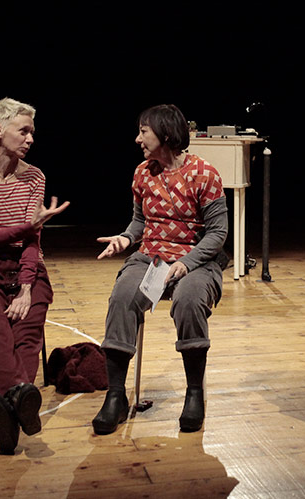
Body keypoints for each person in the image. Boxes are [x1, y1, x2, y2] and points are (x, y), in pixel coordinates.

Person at [92, 104, 227, 435]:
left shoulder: (205, 174)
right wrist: (126, 239)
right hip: (151, 258)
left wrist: (186, 262)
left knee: (189, 300)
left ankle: (194, 394)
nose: (138, 139)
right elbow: (140, 221)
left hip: (196, 261)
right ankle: (115, 396)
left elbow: (218, 233)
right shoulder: (143, 173)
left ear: (165, 134)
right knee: (122, 297)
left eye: (143, 131)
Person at [0, 98, 69, 455]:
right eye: (23, 131)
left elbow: (32, 242)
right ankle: (22, 398)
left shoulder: (34, 176)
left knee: (27, 331)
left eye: (31, 132)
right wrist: (28, 226)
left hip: (26, 265)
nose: (30, 139)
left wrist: (25, 287)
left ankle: (9, 410)